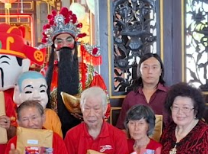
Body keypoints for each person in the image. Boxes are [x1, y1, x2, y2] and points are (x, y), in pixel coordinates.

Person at [40, 7, 107, 135]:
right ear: (53, 46)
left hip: (83, 131)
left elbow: (104, 105)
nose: (64, 44)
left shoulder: (88, 73)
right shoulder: (44, 74)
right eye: (59, 41)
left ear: (75, 43)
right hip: (52, 132)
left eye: (69, 40)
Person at [116, 54, 168, 131]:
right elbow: (121, 127)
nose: (150, 71)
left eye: (154, 67)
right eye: (145, 67)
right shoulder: (131, 97)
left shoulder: (169, 95)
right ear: (139, 71)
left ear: (160, 71)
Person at [14, 71, 63, 137]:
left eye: (42, 90)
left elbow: (58, 140)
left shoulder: (51, 115)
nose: (36, 96)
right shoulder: (13, 116)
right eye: (28, 91)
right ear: (17, 93)